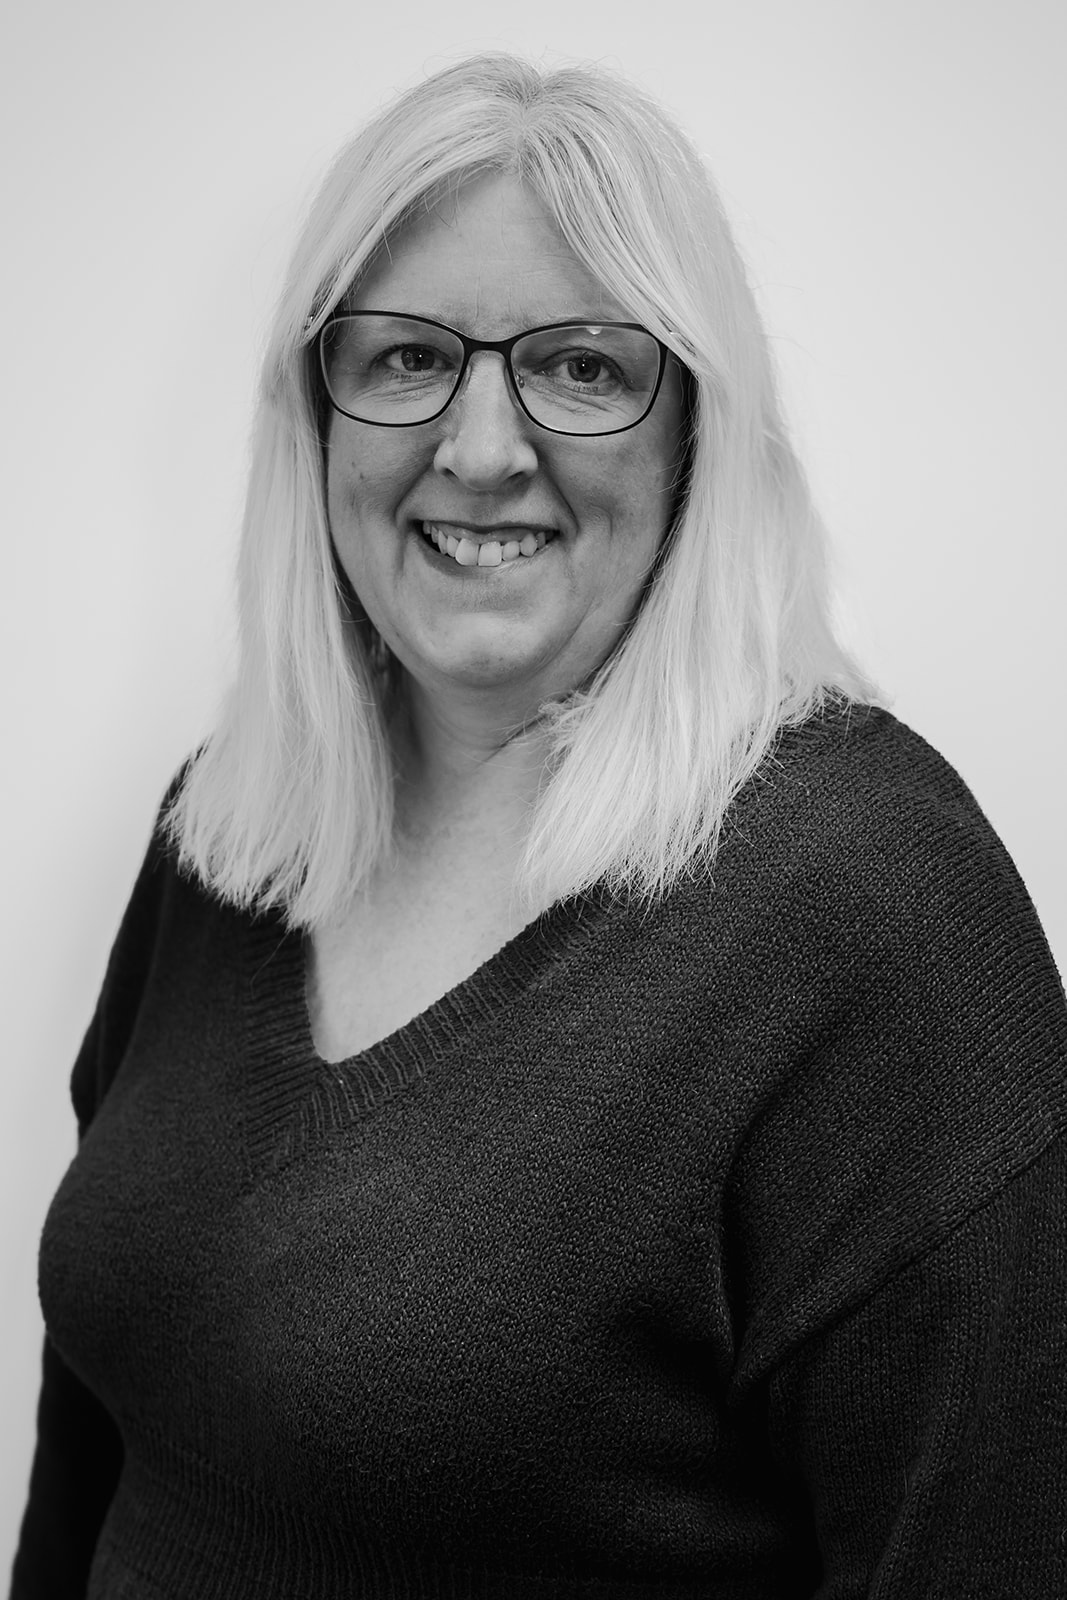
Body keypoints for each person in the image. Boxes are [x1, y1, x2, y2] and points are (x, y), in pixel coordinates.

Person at [10, 52, 1067, 1600]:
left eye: (579, 365)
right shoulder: (225, 830)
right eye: (405, 359)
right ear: (316, 418)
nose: (484, 448)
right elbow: (94, 1434)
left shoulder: (879, 913)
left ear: (695, 426)